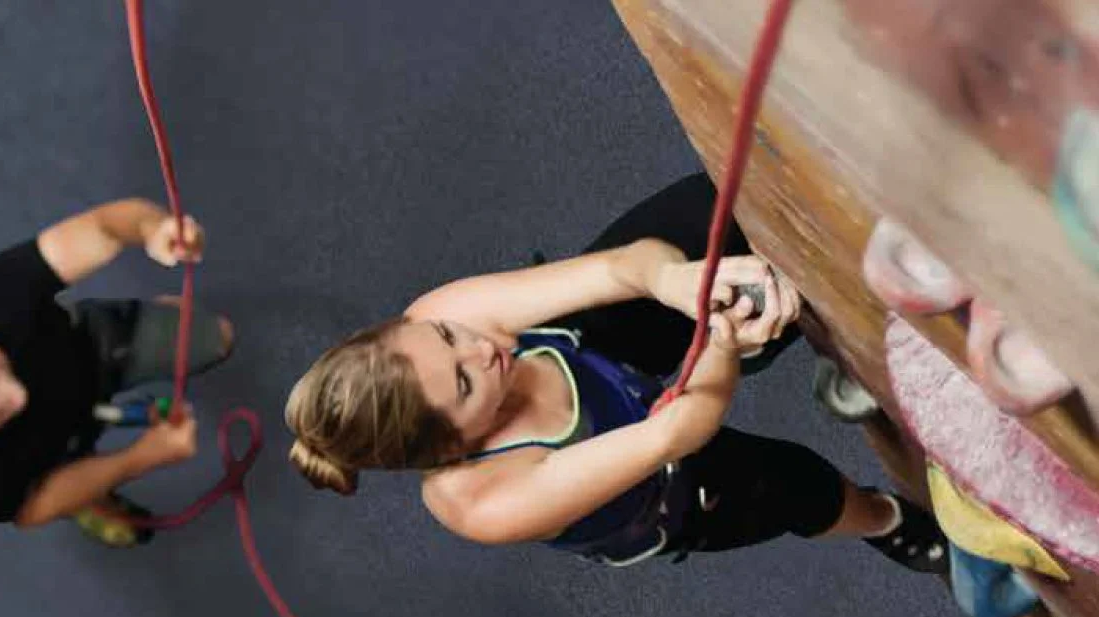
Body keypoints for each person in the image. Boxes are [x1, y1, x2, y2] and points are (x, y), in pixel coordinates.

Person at [284, 173, 949, 571]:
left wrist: (675, 281)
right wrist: (722, 340)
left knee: (700, 215)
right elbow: (677, 432)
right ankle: (887, 521)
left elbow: (618, 267)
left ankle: (766, 306)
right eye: (463, 383)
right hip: (661, 485)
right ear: (450, 446)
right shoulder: (485, 502)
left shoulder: (442, 318)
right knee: (798, 487)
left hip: (588, 357)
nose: (480, 348)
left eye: (447, 337)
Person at [0, 198, 234, 546]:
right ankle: (86, 494)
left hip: (93, 351)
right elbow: (31, 510)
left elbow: (103, 227)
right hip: (57, 452)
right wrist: (141, 458)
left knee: (219, 339)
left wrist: (154, 230)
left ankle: (156, 324)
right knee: (62, 490)